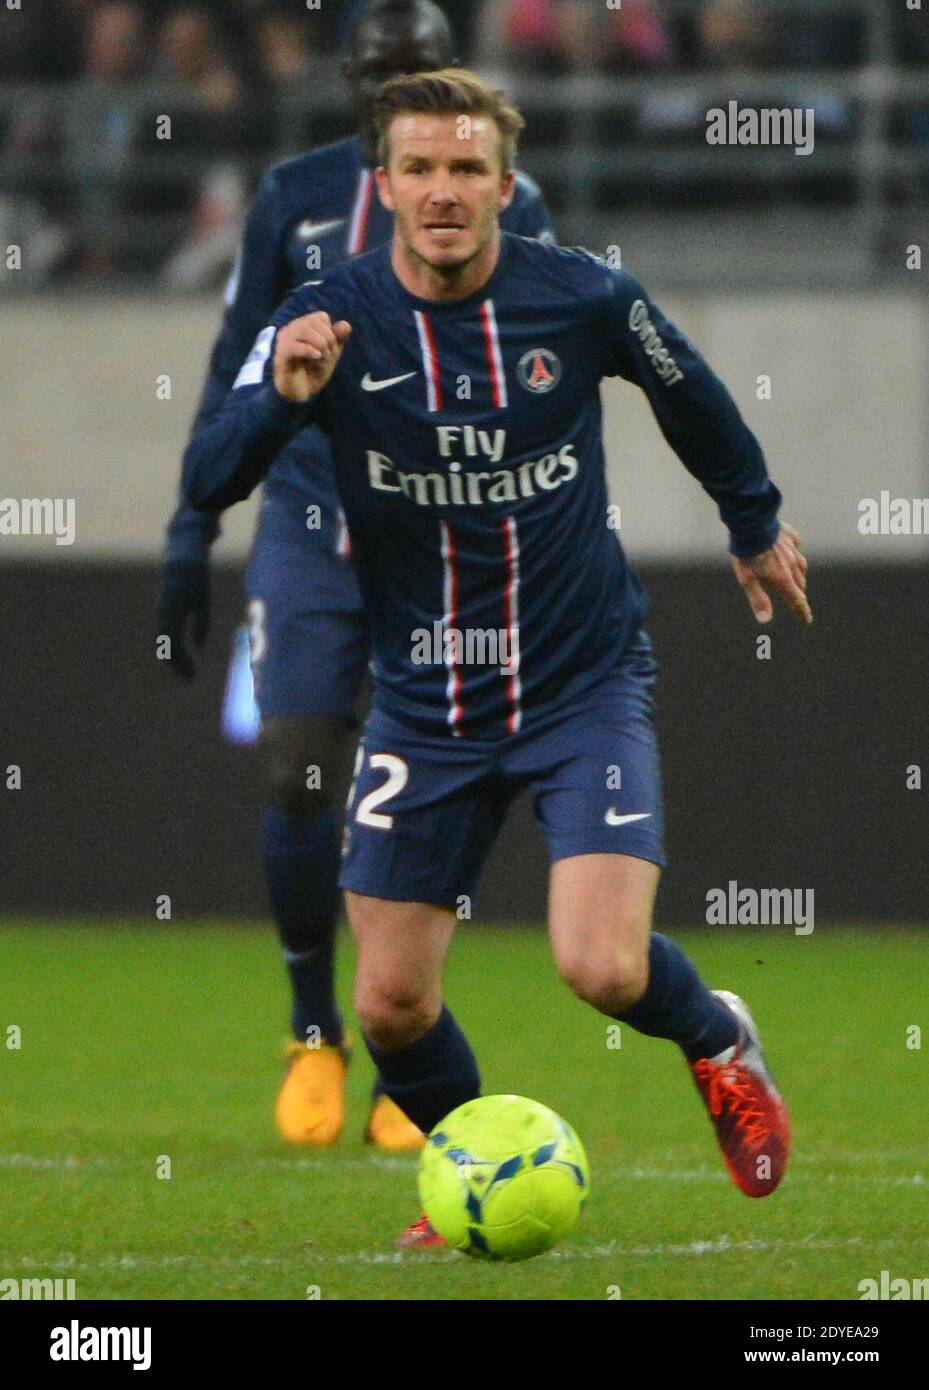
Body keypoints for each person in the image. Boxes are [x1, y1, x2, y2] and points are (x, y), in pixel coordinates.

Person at [182, 67, 810, 1248]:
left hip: (578, 682)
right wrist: (280, 396)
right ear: (384, 185)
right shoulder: (327, 319)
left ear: (503, 186)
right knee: (389, 1001)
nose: (441, 190)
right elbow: (213, 473)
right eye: (417, 167)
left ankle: (717, 1037)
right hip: (424, 701)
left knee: (600, 967)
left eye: (465, 168)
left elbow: (693, 394)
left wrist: (750, 516)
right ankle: (477, 1162)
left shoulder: (579, 296)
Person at [156, 2, 554, 1153]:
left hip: (441, 531)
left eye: (420, 70)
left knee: (418, 787)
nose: (401, 92)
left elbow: (550, 367)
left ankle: (403, 1047)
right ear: (350, 84)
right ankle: (311, 1029)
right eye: (382, 77)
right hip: (314, 515)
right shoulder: (295, 195)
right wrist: (192, 526)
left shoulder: (503, 198)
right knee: (296, 772)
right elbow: (237, 365)